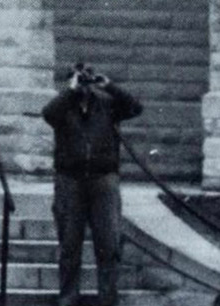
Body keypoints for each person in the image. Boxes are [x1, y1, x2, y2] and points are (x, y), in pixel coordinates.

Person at [41, 61, 143, 306]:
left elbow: (135, 108)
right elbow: (48, 113)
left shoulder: (107, 104)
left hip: (103, 180)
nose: (85, 85)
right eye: (80, 79)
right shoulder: (64, 106)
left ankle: (108, 299)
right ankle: (68, 298)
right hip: (70, 180)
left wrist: (110, 86)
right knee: (69, 245)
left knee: (108, 245)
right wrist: (71, 91)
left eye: (87, 79)